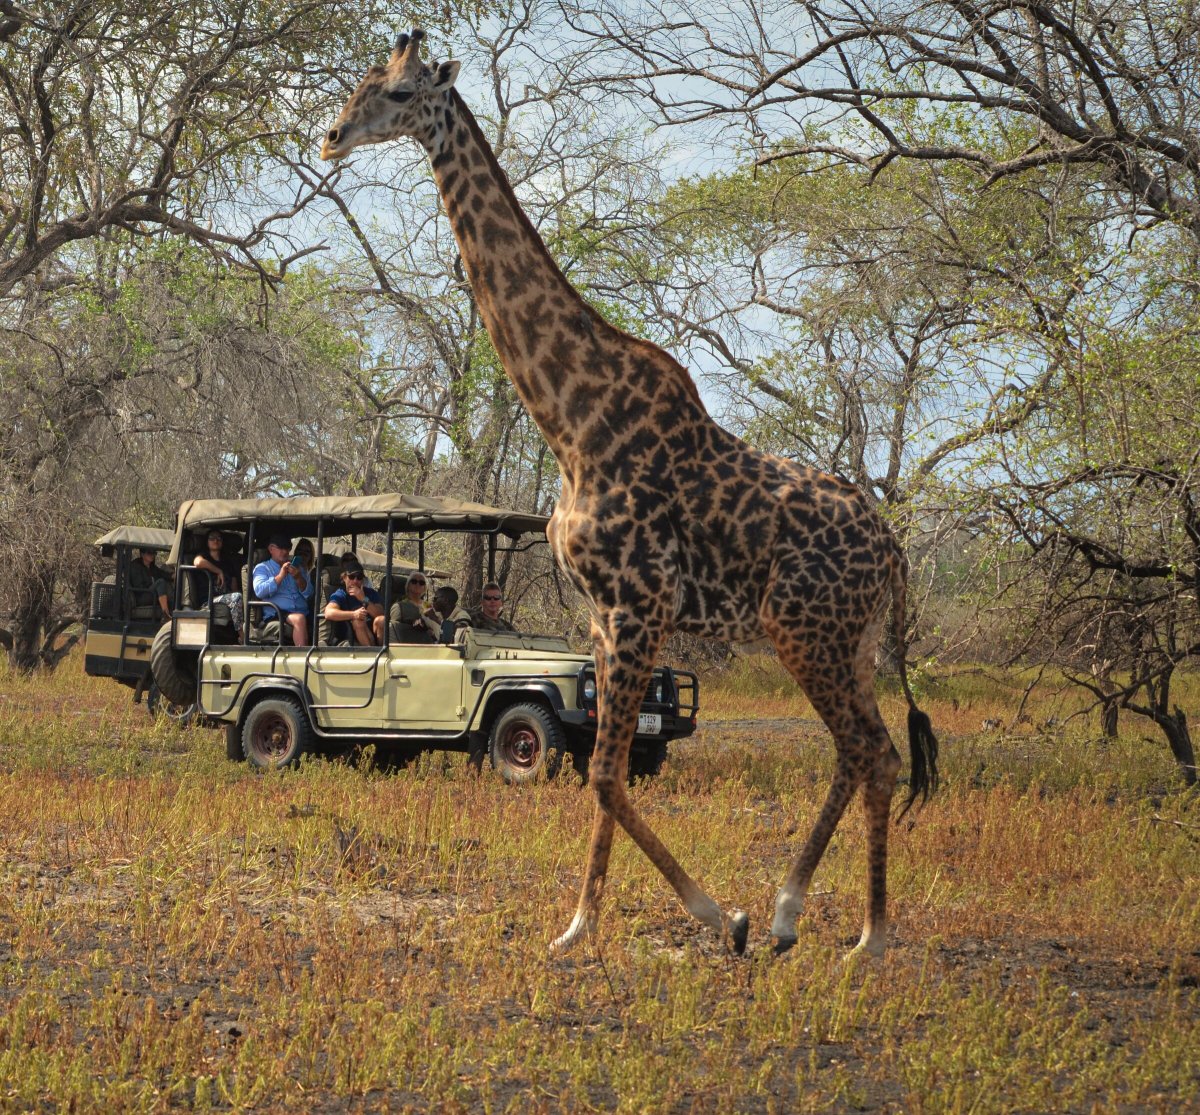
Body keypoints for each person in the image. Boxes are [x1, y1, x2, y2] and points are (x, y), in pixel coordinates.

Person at [251, 534, 310, 646]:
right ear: (271, 549)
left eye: (288, 548)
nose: (285, 551)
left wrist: (298, 578)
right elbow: (259, 591)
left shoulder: (297, 568)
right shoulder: (262, 568)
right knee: (299, 619)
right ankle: (303, 660)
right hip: (277, 613)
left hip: (302, 611)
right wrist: (280, 575)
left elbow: (309, 593)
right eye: (281, 548)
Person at [323, 561, 384, 645]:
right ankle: (370, 654)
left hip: (372, 631)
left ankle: (384, 652)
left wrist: (363, 599)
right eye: (351, 577)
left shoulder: (370, 593)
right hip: (352, 636)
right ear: (344, 578)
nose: (355, 581)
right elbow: (329, 613)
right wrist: (354, 614)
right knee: (358, 621)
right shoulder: (341, 594)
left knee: (381, 620)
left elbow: (380, 613)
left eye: (359, 577)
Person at [192, 529, 243, 606]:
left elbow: (234, 588)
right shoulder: (203, 556)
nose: (215, 540)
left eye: (219, 538)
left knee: (240, 596)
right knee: (237, 597)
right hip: (208, 600)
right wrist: (219, 571)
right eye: (212, 538)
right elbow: (198, 563)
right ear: (207, 541)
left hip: (227, 597)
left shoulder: (228, 562)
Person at [389, 571, 438, 643]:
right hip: (410, 644)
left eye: (421, 583)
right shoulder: (399, 606)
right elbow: (394, 630)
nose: (418, 584)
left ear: (425, 588)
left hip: (429, 643)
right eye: (414, 581)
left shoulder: (427, 605)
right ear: (408, 585)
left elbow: (435, 624)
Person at [129, 547, 171, 619]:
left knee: (168, 585)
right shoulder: (135, 566)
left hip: (150, 593)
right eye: (149, 553)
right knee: (160, 582)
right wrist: (153, 584)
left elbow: (163, 574)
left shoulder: (151, 566)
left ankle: (175, 612)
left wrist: (173, 576)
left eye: (154, 553)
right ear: (142, 554)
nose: (152, 555)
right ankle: (165, 614)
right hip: (141, 596)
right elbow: (139, 587)